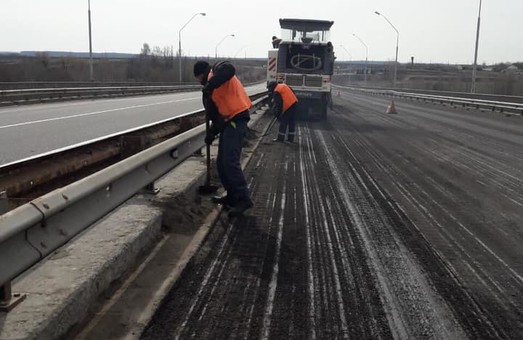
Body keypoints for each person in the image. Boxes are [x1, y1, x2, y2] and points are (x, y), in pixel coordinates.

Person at [193, 60, 254, 216]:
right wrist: (212, 133)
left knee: (230, 161)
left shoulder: (217, 70)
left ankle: (243, 199)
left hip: (237, 118)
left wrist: (210, 85)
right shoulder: (209, 93)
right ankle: (232, 196)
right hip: (228, 122)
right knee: (221, 162)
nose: (200, 82)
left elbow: (230, 69)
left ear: (202, 74)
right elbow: (218, 118)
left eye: (199, 79)